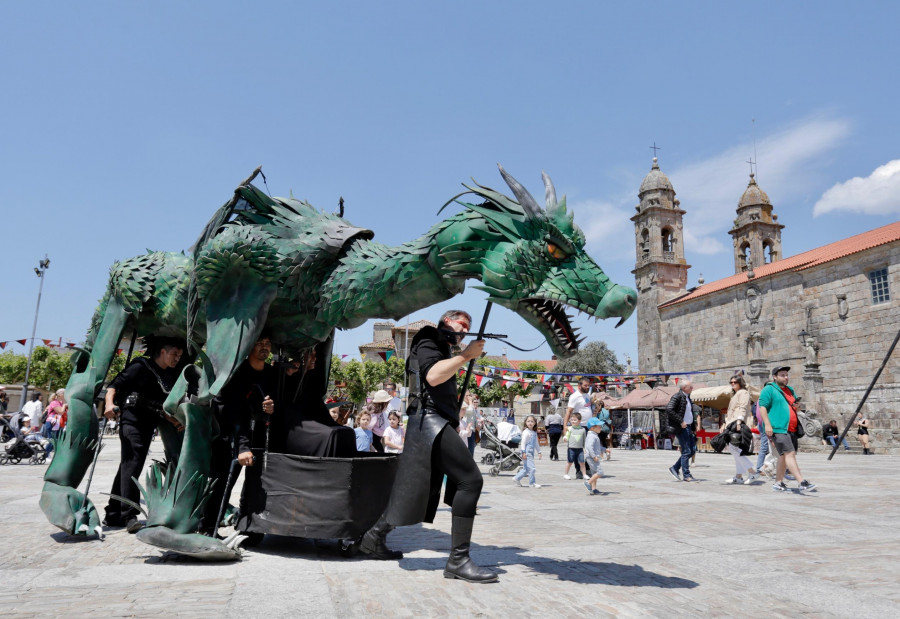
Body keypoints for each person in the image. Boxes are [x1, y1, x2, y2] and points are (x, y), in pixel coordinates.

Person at [359, 309, 497, 583]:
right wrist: (466, 355)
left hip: (435, 422)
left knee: (415, 488)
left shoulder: (445, 347)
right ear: (447, 321)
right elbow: (433, 377)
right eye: (462, 324)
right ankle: (458, 560)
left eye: (468, 327)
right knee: (470, 480)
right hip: (429, 421)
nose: (465, 331)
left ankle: (373, 538)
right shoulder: (428, 338)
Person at [103, 337, 185, 532]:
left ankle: (113, 513)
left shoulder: (168, 375)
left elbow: (161, 406)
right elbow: (113, 386)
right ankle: (129, 515)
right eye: (174, 354)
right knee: (133, 463)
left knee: (128, 465)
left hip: (149, 424)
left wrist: (174, 420)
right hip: (131, 421)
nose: (176, 359)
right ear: (163, 352)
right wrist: (108, 405)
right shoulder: (140, 366)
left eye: (179, 356)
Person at [758, 366, 817, 493]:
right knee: (790, 454)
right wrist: (767, 425)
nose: (786, 377)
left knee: (783, 457)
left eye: (787, 375)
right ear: (775, 377)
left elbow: (795, 408)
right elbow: (762, 408)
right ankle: (802, 482)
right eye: (783, 375)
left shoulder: (790, 390)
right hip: (778, 428)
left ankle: (778, 483)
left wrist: (797, 407)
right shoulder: (768, 389)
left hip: (791, 428)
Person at [722, 375, 758, 484]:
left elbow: (742, 407)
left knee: (734, 448)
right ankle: (738, 476)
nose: (732, 383)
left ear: (740, 383)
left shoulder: (743, 392)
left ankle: (752, 472)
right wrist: (725, 423)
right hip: (732, 423)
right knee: (736, 449)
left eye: (735, 382)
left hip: (738, 423)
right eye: (731, 382)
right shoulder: (736, 394)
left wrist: (739, 421)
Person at [666, 381, 697, 482]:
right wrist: (681, 421)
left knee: (692, 450)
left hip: (688, 427)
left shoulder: (687, 397)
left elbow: (689, 413)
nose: (692, 387)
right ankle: (686, 475)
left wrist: (693, 428)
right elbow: (669, 409)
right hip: (681, 427)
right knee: (686, 451)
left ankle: (675, 468)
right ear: (684, 387)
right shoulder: (677, 396)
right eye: (690, 386)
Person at [513, 415, 542, 488]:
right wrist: (523, 452)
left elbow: (536, 443)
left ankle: (517, 478)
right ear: (525, 423)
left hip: (531, 452)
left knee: (526, 469)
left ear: (535, 423)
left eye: (532, 421)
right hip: (526, 452)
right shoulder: (526, 432)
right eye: (528, 421)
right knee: (532, 468)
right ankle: (532, 483)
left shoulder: (534, 432)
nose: (530, 423)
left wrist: (539, 452)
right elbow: (523, 443)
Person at [562, 412, 587, 480]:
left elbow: (584, 439)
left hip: (580, 449)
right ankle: (566, 474)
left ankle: (584, 474)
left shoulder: (583, 429)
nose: (573, 421)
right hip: (571, 449)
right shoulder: (570, 429)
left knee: (582, 462)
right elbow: (567, 435)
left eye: (575, 420)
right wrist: (565, 438)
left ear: (579, 421)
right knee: (569, 462)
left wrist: (585, 448)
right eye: (572, 419)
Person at [583, 418, 605, 495]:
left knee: (594, 473)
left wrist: (605, 450)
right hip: (592, 457)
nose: (601, 428)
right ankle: (588, 483)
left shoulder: (593, 435)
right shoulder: (592, 436)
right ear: (593, 427)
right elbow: (589, 447)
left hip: (592, 457)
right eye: (599, 426)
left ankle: (593, 489)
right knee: (600, 472)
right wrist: (594, 456)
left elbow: (597, 447)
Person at [591, 395, 612, 461]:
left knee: (599, 442)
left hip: (601, 428)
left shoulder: (599, 412)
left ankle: (601, 455)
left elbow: (596, 419)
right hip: (607, 428)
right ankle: (607, 451)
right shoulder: (606, 411)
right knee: (603, 441)